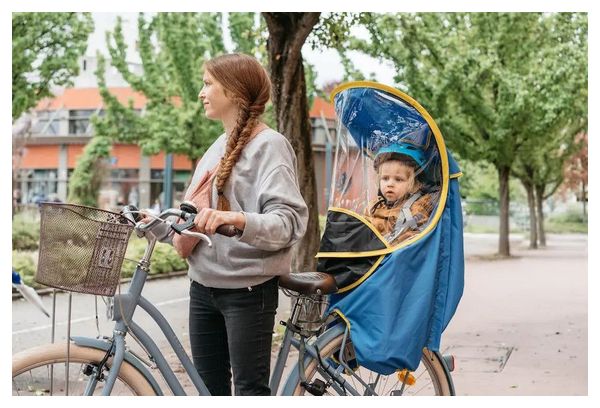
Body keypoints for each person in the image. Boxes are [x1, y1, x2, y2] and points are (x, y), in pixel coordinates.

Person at [142, 53, 308, 396]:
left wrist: (236, 218)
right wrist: (156, 224)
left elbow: (289, 223)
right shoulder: (217, 146)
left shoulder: (270, 146)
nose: (201, 93)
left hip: (247, 292)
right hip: (203, 288)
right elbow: (196, 219)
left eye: (207, 84)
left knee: (249, 392)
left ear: (232, 91)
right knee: (208, 391)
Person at [366, 142, 439, 245]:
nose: (390, 184)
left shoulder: (417, 207)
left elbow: (412, 237)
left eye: (398, 179)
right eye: (385, 178)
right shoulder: (374, 205)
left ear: (415, 185)